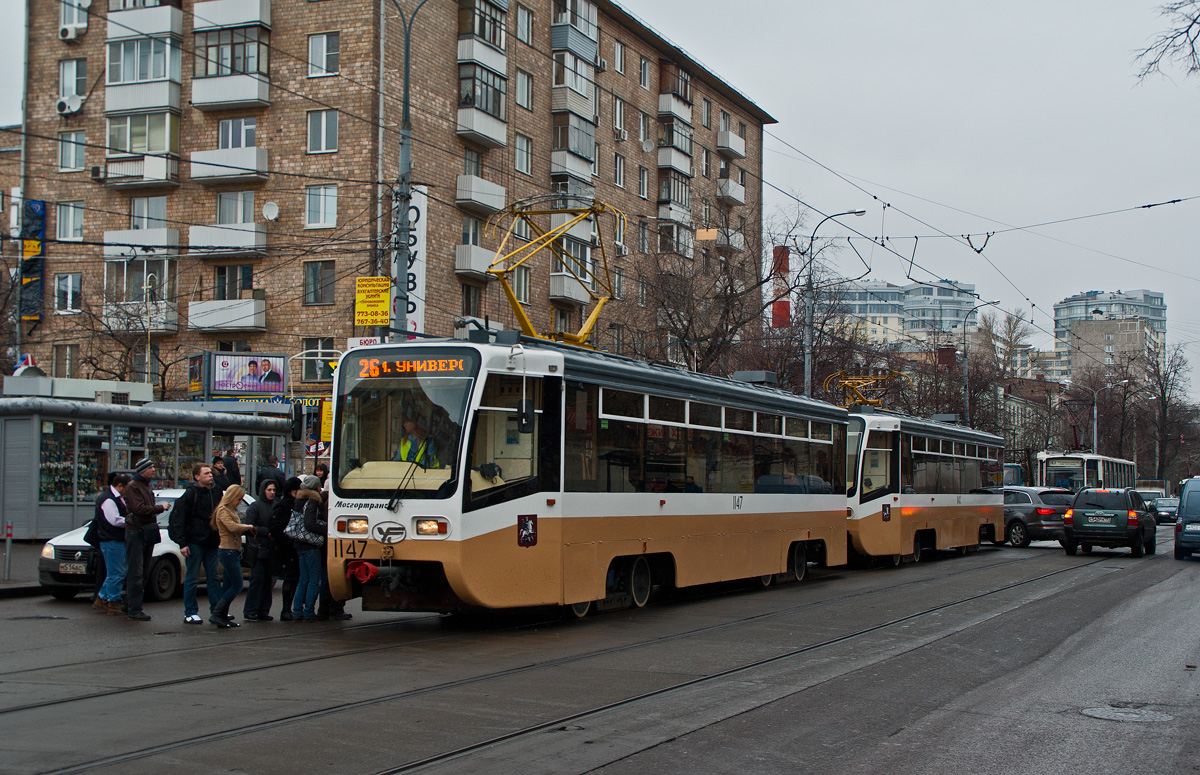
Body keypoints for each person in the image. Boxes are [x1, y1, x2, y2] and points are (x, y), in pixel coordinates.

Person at [168, 463, 220, 625]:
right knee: (192, 578)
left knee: (213, 577)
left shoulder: (216, 492)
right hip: (195, 542)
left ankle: (217, 610)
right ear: (197, 477)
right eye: (206, 473)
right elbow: (179, 520)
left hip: (212, 542)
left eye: (210, 473)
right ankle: (190, 612)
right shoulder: (191, 494)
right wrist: (182, 543)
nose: (210, 475)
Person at [124, 458, 168, 621]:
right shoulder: (133, 487)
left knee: (143, 570)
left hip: (146, 530)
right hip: (136, 532)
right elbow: (139, 509)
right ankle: (134, 608)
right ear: (143, 470)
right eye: (151, 468)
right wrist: (160, 508)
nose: (154, 470)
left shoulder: (145, 486)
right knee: (136, 571)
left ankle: (128, 604)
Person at [209, 485, 255, 628]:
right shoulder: (223, 510)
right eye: (238, 499)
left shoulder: (230, 510)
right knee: (237, 585)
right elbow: (233, 527)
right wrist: (249, 527)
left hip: (233, 550)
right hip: (227, 550)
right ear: (231, 497)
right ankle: (217, 614)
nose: (240, 502)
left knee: (228, 585)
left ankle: (222, 615)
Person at [95, 473, 131, 615]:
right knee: (117, 573)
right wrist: (129, 521)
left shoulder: (115, 497)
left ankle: (102, 598)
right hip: (112, 539)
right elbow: (114, 520)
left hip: (113, 539)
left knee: (115, 572)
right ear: (120, 486)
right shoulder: (109, 499)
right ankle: (113, 601)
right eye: (127, 487)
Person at [291, 475, 326, 622]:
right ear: (316, 487)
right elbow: (310, 523)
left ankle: (297, 610)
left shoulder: (299, 500)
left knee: (303, 579)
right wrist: (325, 529)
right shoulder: (312, 502)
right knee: (313, 579)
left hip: (299, 543)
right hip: (310, 544)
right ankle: (308, 610)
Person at [242, 479, 276, 621]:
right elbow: (249, 527)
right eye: (269, 490)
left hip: (271, 549)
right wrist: (265, 531)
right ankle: (250, 610)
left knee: (268, 582)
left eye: (274, 490)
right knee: (257, 580)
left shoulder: (275, 506)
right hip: (257, 549)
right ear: (263, 490)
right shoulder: (255, 507)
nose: (272, 493)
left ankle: (263, 610)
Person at [270, 477, 302, 620]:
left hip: (292, 547)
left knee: (294, 579)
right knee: (289, 579)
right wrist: (288, 540)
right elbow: (276, 528)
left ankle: (289, 608)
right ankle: (285, 609)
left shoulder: (296, 504)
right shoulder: (283, 506)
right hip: (285, 548)